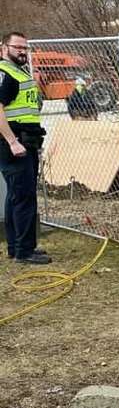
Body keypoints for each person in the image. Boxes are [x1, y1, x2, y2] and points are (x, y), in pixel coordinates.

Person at [0, 31, 51, 265]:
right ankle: (24, 251)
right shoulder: (5, 73)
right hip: (15, 143)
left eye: (25, 48)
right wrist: (12, 141)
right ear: (4, 48)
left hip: (25, 141)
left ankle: (17, 247)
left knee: (16, 196)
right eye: (17, 47)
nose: (22, 51)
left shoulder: (20, 71)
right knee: (24, 197)